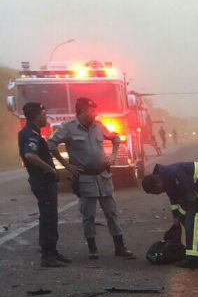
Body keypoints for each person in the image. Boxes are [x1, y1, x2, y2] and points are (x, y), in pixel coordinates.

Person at [48, 98, 135, 260]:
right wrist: (67, 166)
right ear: (81, 111)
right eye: (91, 111)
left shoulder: (99, 126)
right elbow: (51, 145)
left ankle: (120, 246)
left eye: (95, 110)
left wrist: (113, 156)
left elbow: (116, 138)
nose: (94, 114)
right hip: (85, 178)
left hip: (103, 176)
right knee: (88, 215)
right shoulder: (68, 128)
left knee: (111, 213)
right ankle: (92, 248)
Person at [19, 103, 72, 267]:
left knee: (50, 216)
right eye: (43, 113)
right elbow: (30, 155)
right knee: (48, 218)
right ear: (36, 116)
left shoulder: (33, 132)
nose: (46, 116)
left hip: (45, 182)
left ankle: (52, 251)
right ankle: (48, 256)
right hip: (42, 181)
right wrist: (50, 168)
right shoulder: (30, 133)